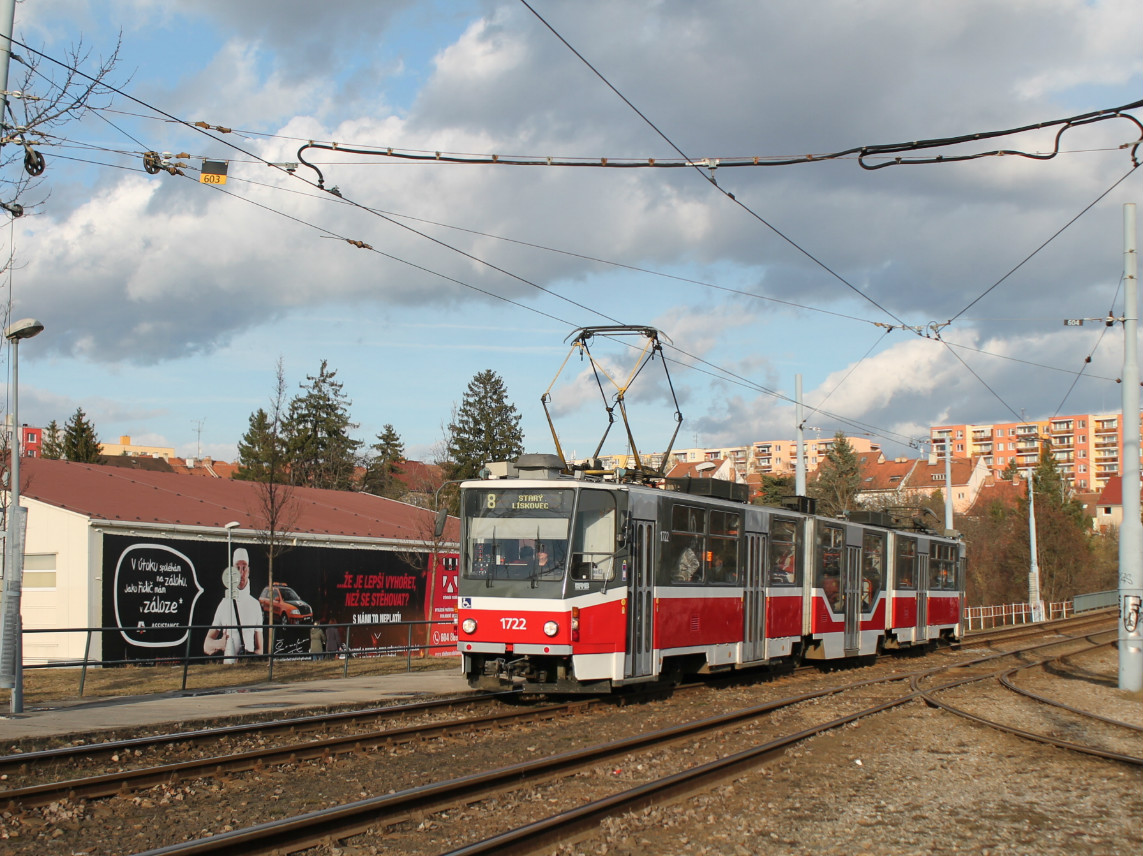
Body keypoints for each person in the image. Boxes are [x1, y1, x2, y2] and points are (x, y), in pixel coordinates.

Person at [204, 547, 264, 663]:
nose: (241, 572)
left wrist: (250, 657)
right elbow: (206, 645)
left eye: (244, 567)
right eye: (237, 568)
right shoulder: (224, 604)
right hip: (229, 668)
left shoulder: (255, 605)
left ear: (248, 570)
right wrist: (219, 644)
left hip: (248, 668)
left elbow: (260, 649)